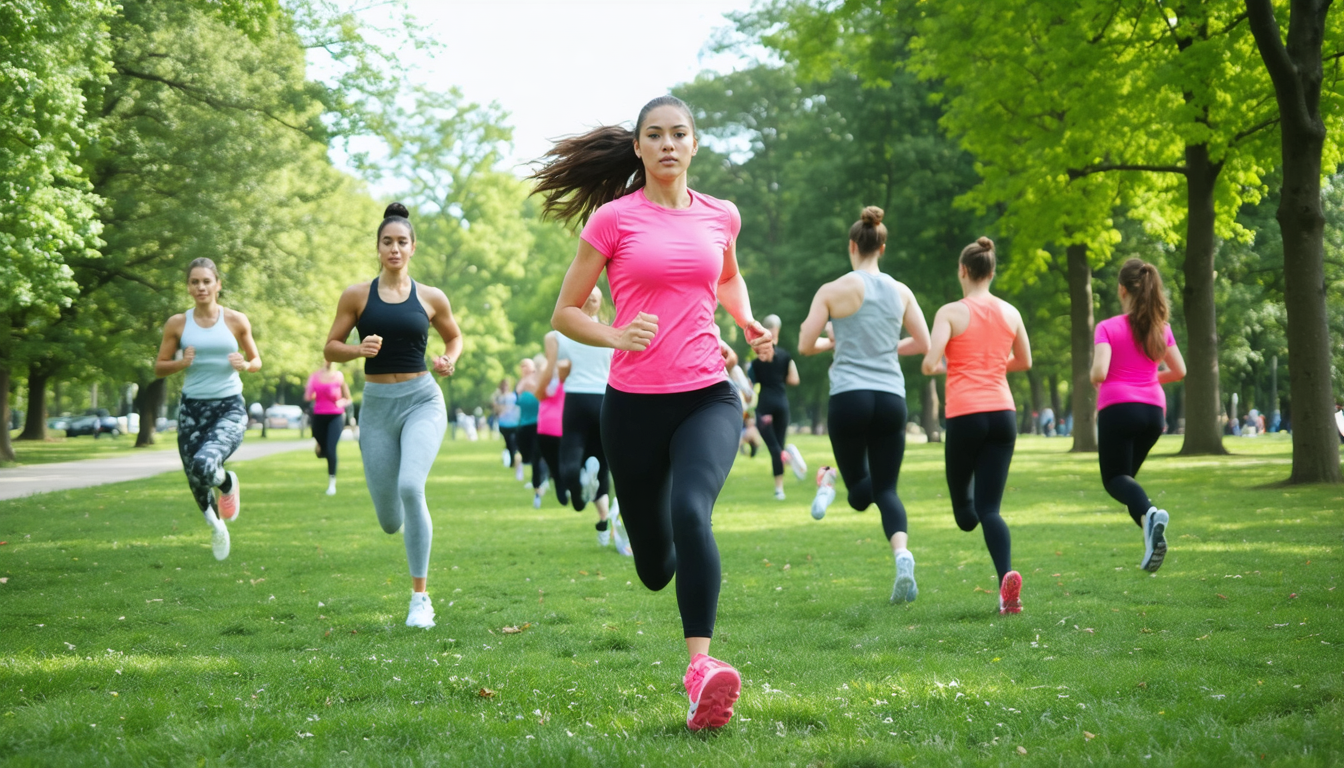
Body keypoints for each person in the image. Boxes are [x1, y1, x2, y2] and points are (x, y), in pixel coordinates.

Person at [531, 94, 774, 730]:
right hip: (633, 406)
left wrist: (744, 320)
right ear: (638, 148)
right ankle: (656, 561)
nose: (668, 144)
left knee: (692, 510)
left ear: (694, 145)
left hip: (707, 394)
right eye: (655, 135)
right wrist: (615, 336)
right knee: (653, 566)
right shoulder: (613, 220)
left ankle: (701, 670)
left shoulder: (722, 215)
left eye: (679, 134)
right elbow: (566, 311)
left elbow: (726, 279)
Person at [322, 202, 462, 630]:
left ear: (413, 247)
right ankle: (407, 527)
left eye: (402, 242)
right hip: (378, 408)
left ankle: (420, 599)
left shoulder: (431, 297)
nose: (395, 248)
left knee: (410, 485)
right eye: (388, 242)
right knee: (389, 520)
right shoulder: (357, 295)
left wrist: (448, 360)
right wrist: (355, 350)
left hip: (422, 399)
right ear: (378, 247)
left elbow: (454, 337)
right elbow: (330, 347)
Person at [798, 206, 931, 603]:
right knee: (887, 489)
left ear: (852, 246)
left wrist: (832, 341)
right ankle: (903, 555)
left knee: (860, 494)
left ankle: (830, 480)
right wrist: (889, 345)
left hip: (849, 397)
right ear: (882, 247)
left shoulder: (833, 290)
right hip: (891, 397)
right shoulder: (901, 291)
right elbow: (923, 344)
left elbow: (806, 345)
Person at [922, 236, 1031, 615]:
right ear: (992, 271)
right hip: (1003, 414)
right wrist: (991, 366)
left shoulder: (950, 313)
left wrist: (954, 364)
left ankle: (1004, 582)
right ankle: (1006, 583)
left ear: (963, 270)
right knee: (990, 510)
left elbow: (929, 362)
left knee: (965, 515)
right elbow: (1024, 360)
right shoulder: (1011, 312)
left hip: (966, 415)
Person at [153, 257, 262, 561]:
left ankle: (227, 483)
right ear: (188, 287)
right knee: (195, 479)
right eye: (194, 282)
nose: (201, 287)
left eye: (206, 281)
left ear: (218, 285)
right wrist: (181, 363)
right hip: (192, 409)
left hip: (228, 407)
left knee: (204, 465)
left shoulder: (236, 320)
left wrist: (246, 364)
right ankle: (217, 527)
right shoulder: (177, 323)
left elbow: (256, 360)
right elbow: (159, 367)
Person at [1090, 258, 1186, 573]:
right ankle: (1150, 528)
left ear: (1122, 290)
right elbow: (1179, 370)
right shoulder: (1162, 329)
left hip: (1119, 409)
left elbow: (1100, 371)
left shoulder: (1107, 327)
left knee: (1115, 480)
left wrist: (1097, 376)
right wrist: (1147, 381)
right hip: (1153, 414)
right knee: (1128, 482)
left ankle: (1152, 514)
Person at [546, 287, 620, 545]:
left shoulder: (561, 334)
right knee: (602, 466)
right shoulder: (611, 332)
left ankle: (578, 499)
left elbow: (557, 372)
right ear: (598, 304)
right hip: (604, 400)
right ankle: (603, 521)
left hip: (576, 399)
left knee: (570, 457)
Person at [749, 314, 806, 499]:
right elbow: (795, 380)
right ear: (778, 331)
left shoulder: (757, 361)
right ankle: (779, 488)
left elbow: (749, 386)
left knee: (774, 448)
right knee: (778, 445)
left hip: (765, 406)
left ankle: (781, 481)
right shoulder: (785, 356)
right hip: (782, 404)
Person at [305, 361, 352, 496]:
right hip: (319, 416)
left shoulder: (339, 376)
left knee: (331, 450)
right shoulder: (314, 377)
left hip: (336, 416)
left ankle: (332, 484)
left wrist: (341, 402)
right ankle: (323, 449)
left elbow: (348, 398)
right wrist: (313, 388)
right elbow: (308, 396)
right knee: (323, 449)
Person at [534, 348, 569, 507]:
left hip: (545, 428)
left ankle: (561, 491)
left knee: (554, 465)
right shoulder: (566, 384)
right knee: (562, 463)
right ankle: (565, 489)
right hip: (559, 428)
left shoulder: (544, 385)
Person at [514, 358, 544, 499]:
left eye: (526, 365)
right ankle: (539, 480)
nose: (523, 367)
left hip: (538, 422)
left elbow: (540, 392)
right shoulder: (521, 381)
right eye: (522, 365)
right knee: (526, 454)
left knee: (536, 455)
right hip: (524, 423)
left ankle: (537, 484)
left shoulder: (536, 378)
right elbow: (518, 397)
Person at [493, 378, 523, 478]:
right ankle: (512, 462)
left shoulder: (513, 396)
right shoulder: (499, 398)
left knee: (513, 444)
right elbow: (497, 410)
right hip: (503, 424)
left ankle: (515, 463)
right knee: (509, 444)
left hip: (514, 424)